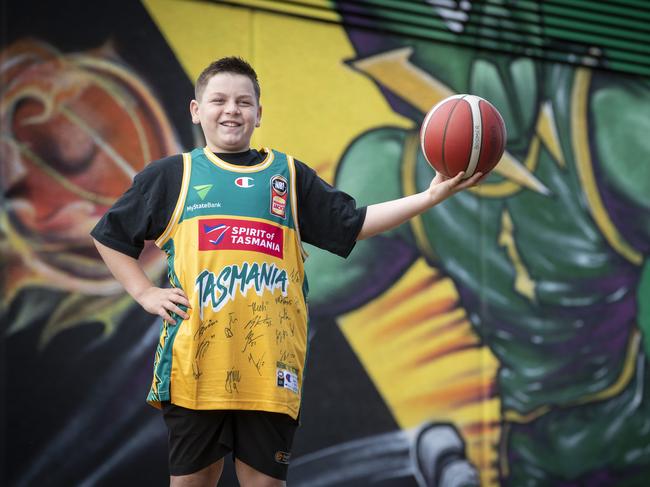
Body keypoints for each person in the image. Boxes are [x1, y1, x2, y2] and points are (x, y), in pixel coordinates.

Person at [90, 56, 483, 486]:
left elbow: (354, 223)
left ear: (259, 114)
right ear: (195, 110)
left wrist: (427, 199)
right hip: (196, 369)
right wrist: (145, 293)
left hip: (270, 372)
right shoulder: (172, 176)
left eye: (244, 102)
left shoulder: (288, 176)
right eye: (218, 100)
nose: (231, 110)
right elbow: (110, 237)